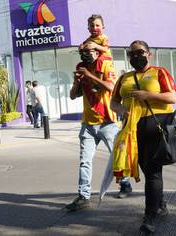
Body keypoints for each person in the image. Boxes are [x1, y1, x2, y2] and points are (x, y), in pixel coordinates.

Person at [111, 40, 176, 234]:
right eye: (132, 54)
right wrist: (122, 109)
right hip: (132, 130)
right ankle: (160, 202)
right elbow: (113, 102)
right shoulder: (124, 78)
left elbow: (172, 97)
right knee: (148, 171)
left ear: (149, 54)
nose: (136, 56)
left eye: (140, 52)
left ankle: (150, 216)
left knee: (153, 171)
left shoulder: (160, 72)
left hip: (156, 126)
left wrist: (147, 95)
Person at [67, 46, 132, 211]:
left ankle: (125, 184)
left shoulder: (105, 66)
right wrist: (77, 82)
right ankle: (83, 196)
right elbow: (73, 95)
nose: (85, 54)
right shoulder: (81, 69)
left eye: (88, 51)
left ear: (97, 53)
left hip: (107, 122)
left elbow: (111, 87)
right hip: (88, 125)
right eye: (82, 52)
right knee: (85, 161)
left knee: (117, 156)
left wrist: (89, 75)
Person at [79, 14, 113, 91]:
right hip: (97, 58)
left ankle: (98, 83)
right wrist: (81, 47)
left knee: (100, 61)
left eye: (97, 25)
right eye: (92, 26)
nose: (94, 28)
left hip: (105, 57)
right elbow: (84, 45)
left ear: (103, 27)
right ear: (88, 28)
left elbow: (105, 49)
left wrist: (96, 46)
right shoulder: (89, 39)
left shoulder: (103, 37)